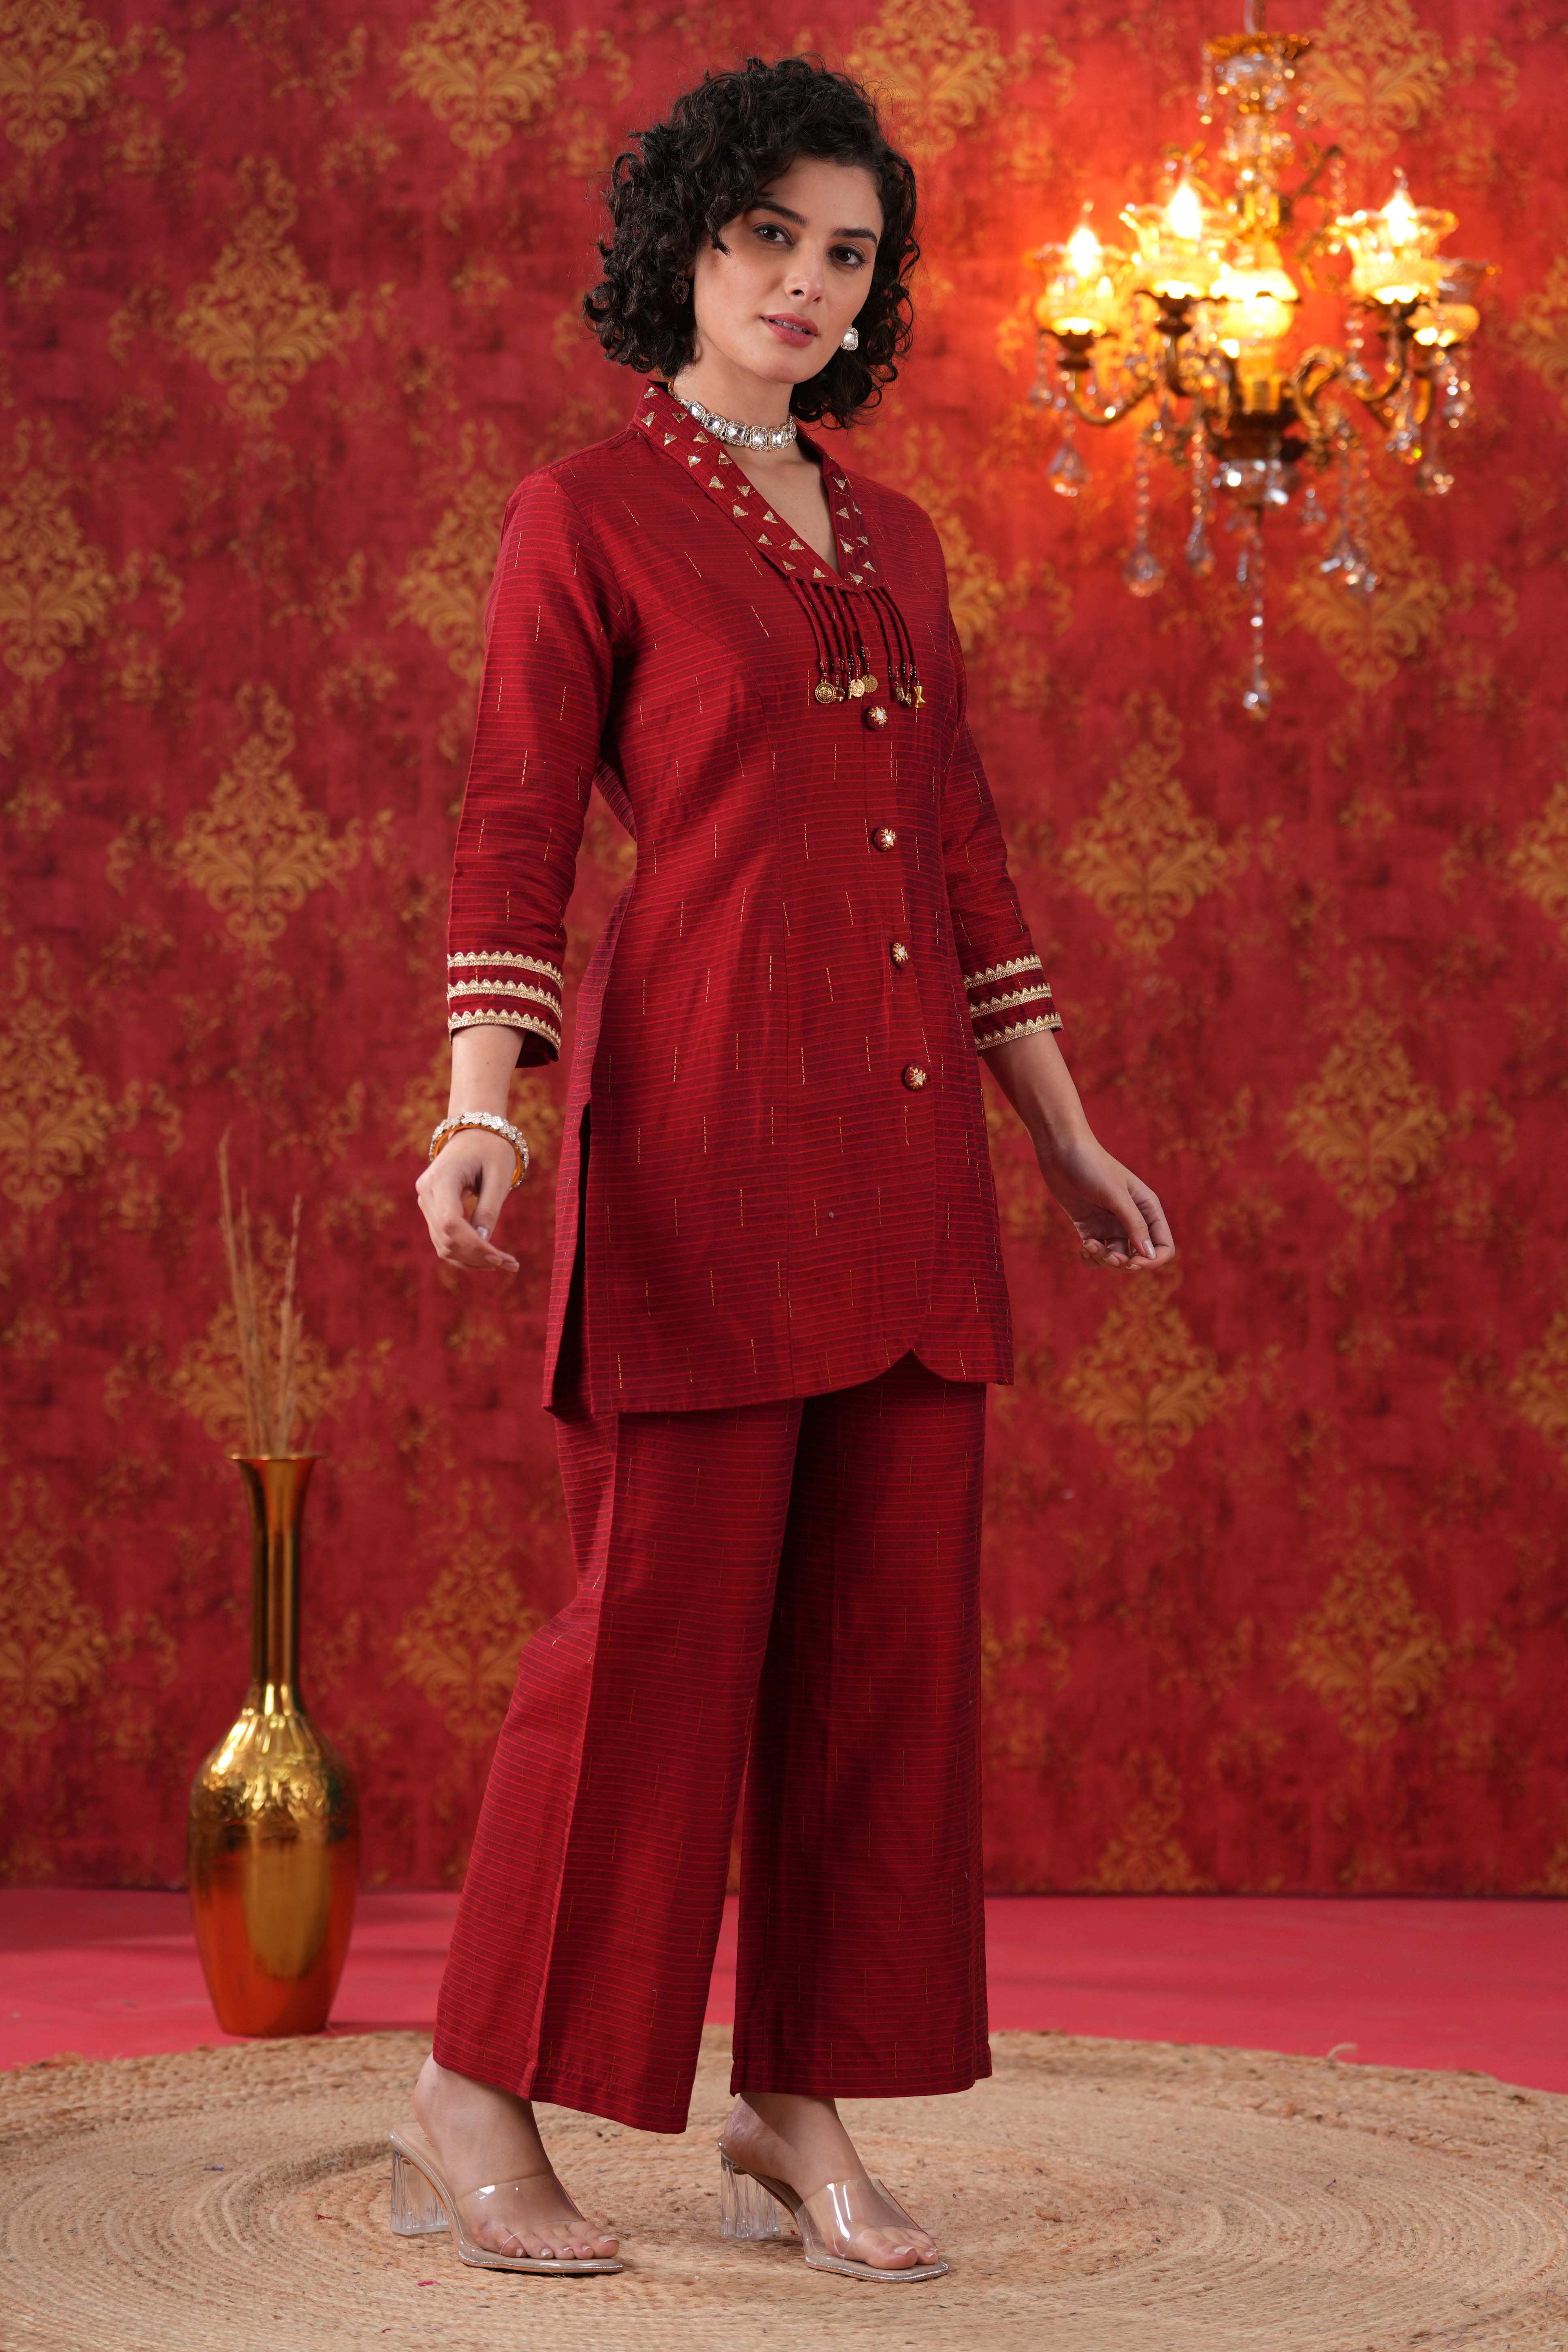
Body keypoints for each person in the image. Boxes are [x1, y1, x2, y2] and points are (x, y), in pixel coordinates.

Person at [402, 53, 1174, 2284]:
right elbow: (515, 831)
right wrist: (481, 1106)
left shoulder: (898, 541)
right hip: (703, 1146)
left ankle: (795, 2104)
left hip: (910, 1162)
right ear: (688, 244)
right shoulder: (586, 514)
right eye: (770, 239)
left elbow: (965, 860)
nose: (807, 285)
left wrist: (1065, 1133)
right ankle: (472, 2093)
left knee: (875, 1655)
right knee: (648, 1640)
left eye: (848, 254)